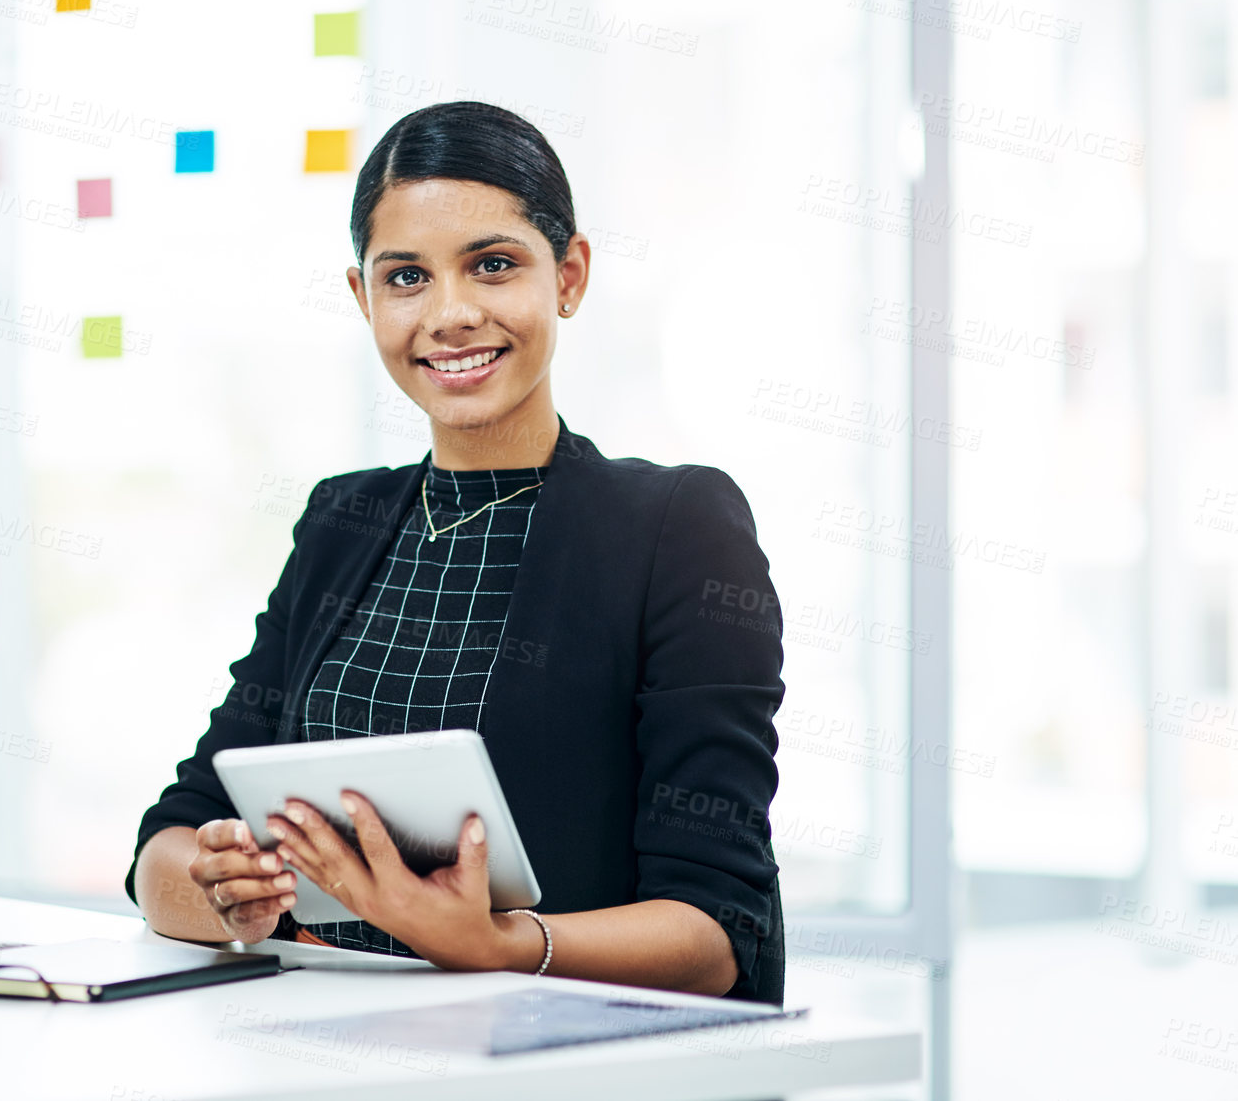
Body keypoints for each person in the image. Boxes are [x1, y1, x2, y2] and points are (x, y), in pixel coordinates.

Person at [124, 100, 786, 1004]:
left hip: (557, 1068)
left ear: (571, 275)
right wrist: (226, 896)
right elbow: (172, 839)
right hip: (325, 1052)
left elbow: (719, 933)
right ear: (363, 298)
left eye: (493, 265)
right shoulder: (341, 520)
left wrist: (497, 944)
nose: (451, 314)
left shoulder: (675, 524)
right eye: (406, 277)